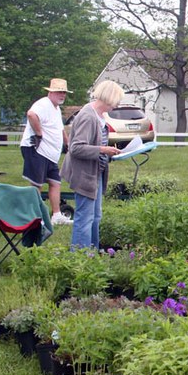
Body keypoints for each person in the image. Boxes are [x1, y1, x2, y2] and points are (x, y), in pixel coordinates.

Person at [60, 81, 123, 249]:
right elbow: (76, 148)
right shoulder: (88, 116)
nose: (117, 105)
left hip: (97, 172)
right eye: (117, 100)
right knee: (85, 217)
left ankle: (92, 253)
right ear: (109, 97)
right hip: (84, 174)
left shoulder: (99, 116)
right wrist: (103, 150)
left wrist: (109, 153)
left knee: (95, 216)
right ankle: (79, 258)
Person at [20, 78, 73, 225]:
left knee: (55, 182)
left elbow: (59, 128)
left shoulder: (56, 109)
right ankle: (35, 217)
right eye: (59, 92)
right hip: (37, 149)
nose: (62, 95)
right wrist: (39, 133)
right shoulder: (43, 104)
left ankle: (56, 215)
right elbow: (31, 114)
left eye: (64, 92)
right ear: (51, 92)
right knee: (37, 184)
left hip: (50, 153)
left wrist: (67, 142)